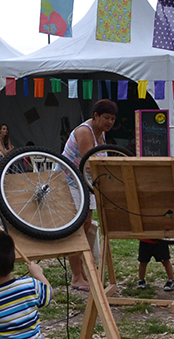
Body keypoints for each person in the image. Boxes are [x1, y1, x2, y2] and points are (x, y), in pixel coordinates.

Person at [61, 99, 118, 291]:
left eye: (112, 119)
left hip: (88, 183)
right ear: (96, 116)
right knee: (77, 228)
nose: (109, 122)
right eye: (106, 118)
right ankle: (76, 276)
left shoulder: (101, 134)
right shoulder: (85, 131)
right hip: (71, 181)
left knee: (86, 226)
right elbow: (89, 162)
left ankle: (83, 271)